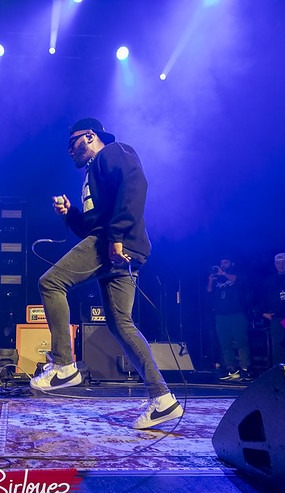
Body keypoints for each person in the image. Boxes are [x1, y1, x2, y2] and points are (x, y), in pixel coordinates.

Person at [32, 117, 183, 430]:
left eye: (72, 143)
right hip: (116, 245)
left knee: (51, 283)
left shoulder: (114, 152)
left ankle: (64, 365)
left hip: (114, 243)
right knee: (120, 324)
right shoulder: (92, 172)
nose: (69, 151)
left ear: (90, 136)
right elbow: (90, 227)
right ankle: (163, 399)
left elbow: (135, 184)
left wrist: (116, 237)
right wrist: (70, 214)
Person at [207, 257, 251, 381]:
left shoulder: (238, 275)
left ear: (232, 263)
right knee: (225, 343)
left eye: (225, 263)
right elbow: (209, 294)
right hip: (221, 316)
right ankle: (231, 369)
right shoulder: (218, 280)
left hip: (237, 314)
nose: (222, 265)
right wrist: (210, 281)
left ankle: (245, 369)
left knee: (241, 342)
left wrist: (223, 273)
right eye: (221, 263)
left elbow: (241, 282)